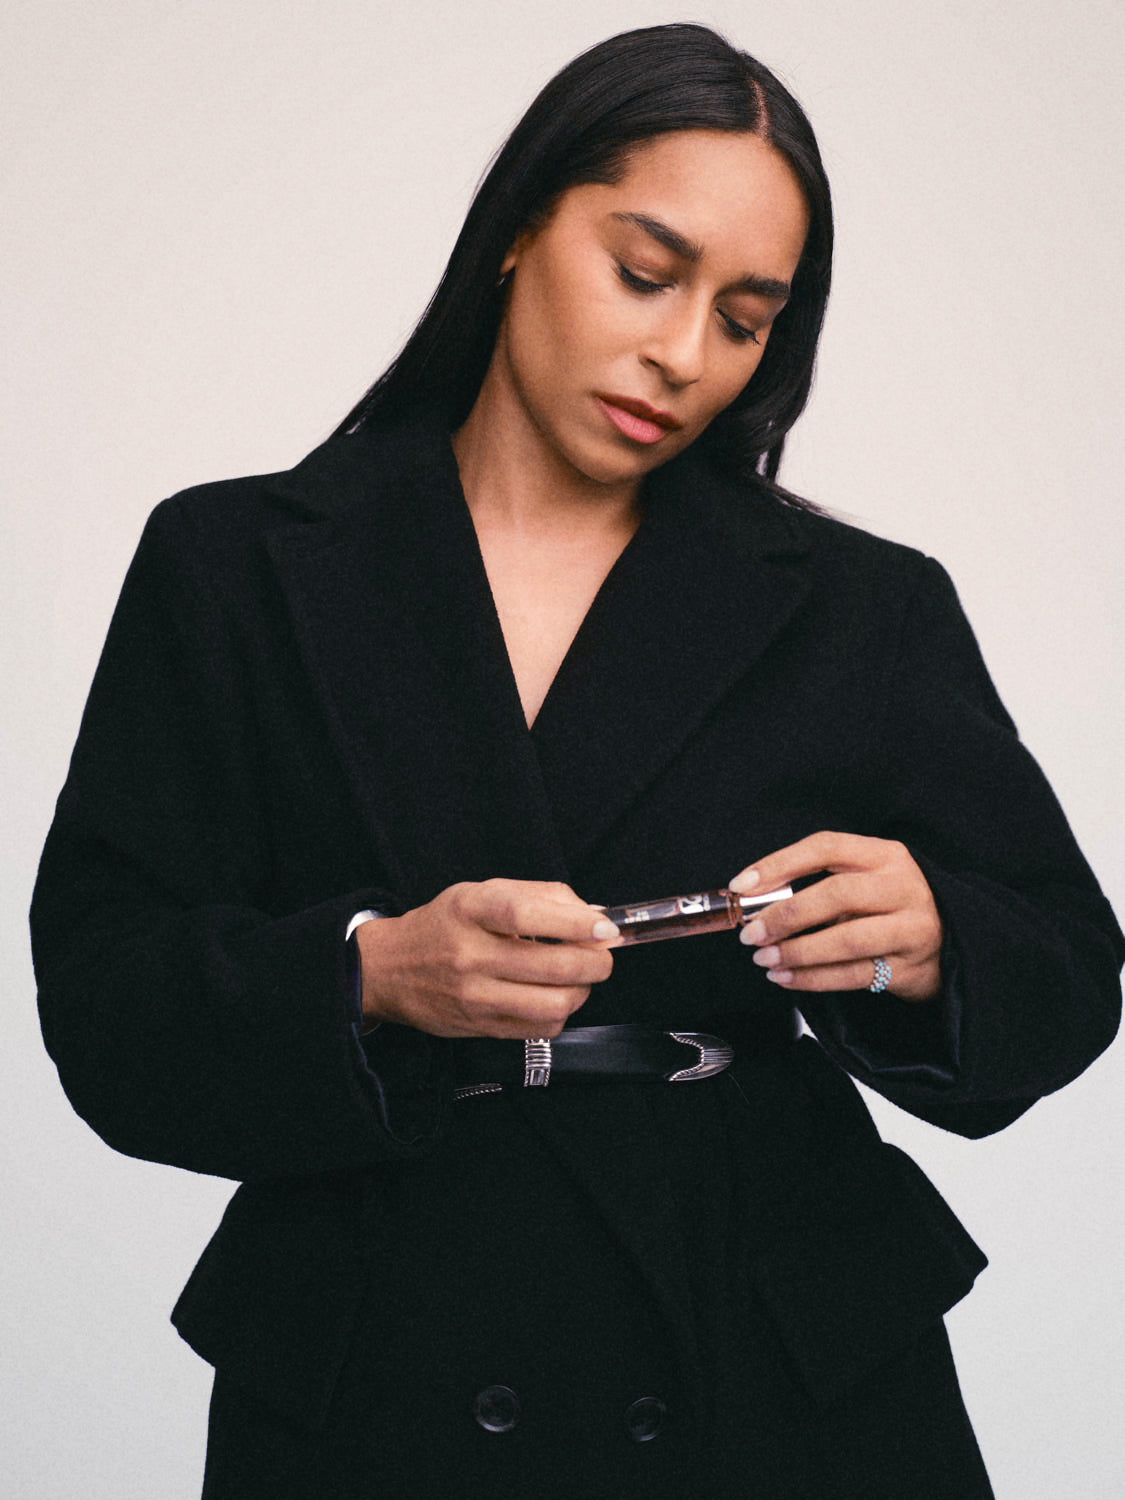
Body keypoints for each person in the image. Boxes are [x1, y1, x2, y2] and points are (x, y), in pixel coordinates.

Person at [30, 22, 1122, 1500]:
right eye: (643, 270)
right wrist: (368, 975)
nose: (682, 356)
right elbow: (102, 996)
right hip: (383, 1361)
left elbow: (1068, 965)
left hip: (773, 1372)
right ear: (519, 229)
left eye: (743, 316)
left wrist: (930, 945)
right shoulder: (234, 565)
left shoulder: (860, 603)